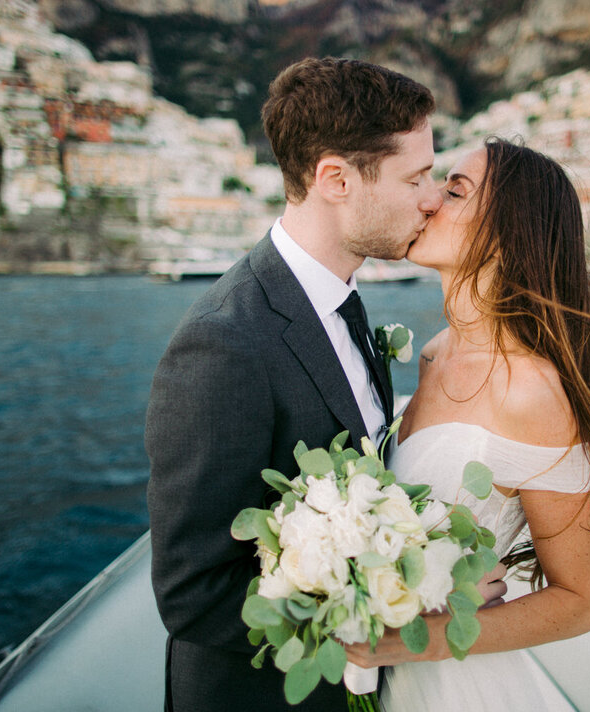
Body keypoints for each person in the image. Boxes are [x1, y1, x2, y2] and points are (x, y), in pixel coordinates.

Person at [343, 138, 590, 709]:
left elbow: (579, 601)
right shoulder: (435, 353)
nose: (431, 199)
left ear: (508, 233)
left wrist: (412, 642)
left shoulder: (532, 393)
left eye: (456, 189)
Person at [145, 57, 446, 710]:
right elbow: (191, 594)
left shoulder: (344, 301)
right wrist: (393, 613)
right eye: (416, 176)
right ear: (335, 179)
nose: (432, 197)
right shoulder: (223, 343)